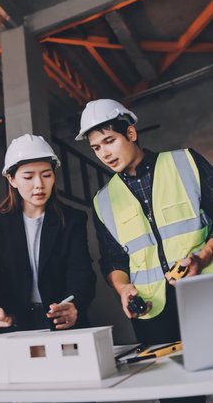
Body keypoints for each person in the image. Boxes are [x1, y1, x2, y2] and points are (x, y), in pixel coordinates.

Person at [76, 98, 213, 403]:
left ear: (131, 134)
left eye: (109, 141)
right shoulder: (104, 200)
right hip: (153, 314)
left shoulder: (186, 163)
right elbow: (112, 258)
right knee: (176, 397)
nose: (104, 153)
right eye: (96, 148)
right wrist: (123, 288)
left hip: (205, 298)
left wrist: (202, 257)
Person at [0, 133, 96, 332]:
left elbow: (81, 272)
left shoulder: (73, 219)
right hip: (12, 323)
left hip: (59, 322)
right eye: (28, 177)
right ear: (12, 179)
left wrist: (75, 305)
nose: (39, 184)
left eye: (46, 175)